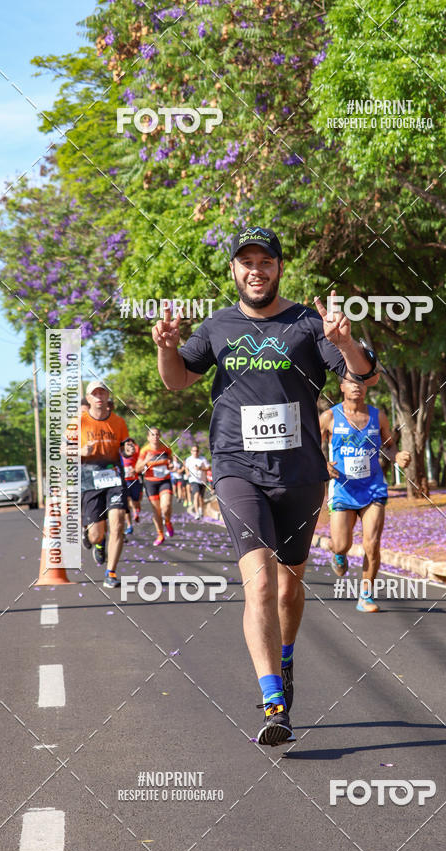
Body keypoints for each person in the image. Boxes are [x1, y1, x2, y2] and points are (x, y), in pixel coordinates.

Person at [152, 226, 378, 746]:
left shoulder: (307, 323)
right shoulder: (216, 327)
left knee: (288, 588)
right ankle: (274, 703)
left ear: (279, 268)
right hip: (236, 468)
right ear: (233, 269)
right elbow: (176, 379)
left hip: (300, 472)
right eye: (246, 261)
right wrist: (166, 348)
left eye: (265, 261)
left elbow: (362, 375)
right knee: (259, 584)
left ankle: (287, 655)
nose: (256, 270)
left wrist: (343, 342)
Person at [320, 379, 411, 611]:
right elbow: (311, 445)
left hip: (373, 487)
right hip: (343, 488)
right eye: (350, 382)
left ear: (367, 388)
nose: (356, 386)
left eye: (360, 382)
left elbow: (389, 444)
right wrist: (323, 465)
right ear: (341, 387)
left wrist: (397, 456)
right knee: (342, 545)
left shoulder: (377, 416)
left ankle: (366, 596)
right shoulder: (329, 417)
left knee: (372, 544)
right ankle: (338, 554)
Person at [79, 381, 129, 588]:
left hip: (114, 476)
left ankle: (111, 572)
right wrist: (81, 452)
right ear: (88, 398)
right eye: (95, 393)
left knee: (117, 523)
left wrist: (129, 450)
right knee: (96, 533)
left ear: (108, 396)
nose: (99, 396)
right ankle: (98, 542)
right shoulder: (79, 422)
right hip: (90, 478)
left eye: (103, 392)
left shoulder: (118, 422)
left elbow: (125, 446)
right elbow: (63, 450)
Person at [136, 427, 174, 545]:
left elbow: (171, 460)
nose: (155, 437)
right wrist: (145, 461)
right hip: (151, 482)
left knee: (166, 506)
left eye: (157, 434)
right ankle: (160, 534)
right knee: (157, 511)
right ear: (148, 437)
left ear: (160, 436)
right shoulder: (145, 450)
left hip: (164, 480)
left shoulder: (166, 448)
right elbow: (137, 469)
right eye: (152, 435)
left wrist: (171, 465)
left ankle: (167, 521)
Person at [120, 438, 141, 534]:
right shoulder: (120, 455)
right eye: (127, 444)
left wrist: (135, 470)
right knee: (127, 503)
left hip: (135, 481)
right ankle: (129, 525)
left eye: (131, 444)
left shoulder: (135, 455)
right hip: (125, 482)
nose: (129, 445)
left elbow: (141, 465)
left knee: (136, 501)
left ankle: (136, 511)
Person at [184, 445, 210, 519]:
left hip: (202, 480)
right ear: (191, 451)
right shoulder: (188, 459)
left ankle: (200, 510)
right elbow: (186, 467)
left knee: (201, 498)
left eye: (196, 451)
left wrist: (200, 468)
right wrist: (187, 473)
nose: (195, 452)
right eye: (194, 451)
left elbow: (208, 468)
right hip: (193, 480)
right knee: (196, 495)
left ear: (198, 451)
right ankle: (197, 513)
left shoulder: (202, 459)